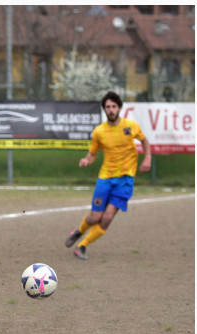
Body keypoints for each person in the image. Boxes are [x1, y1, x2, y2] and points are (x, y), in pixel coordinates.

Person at [65, 91, 151, 260]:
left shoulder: (131, 126)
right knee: (95, 216)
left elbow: (145, 141)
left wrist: (147, 158)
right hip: (105, 178)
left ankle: (82, 246)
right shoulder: (99, 132)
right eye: (107, 107)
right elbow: (93, 153)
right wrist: (86, 160)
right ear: (104, 110)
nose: (111, 110)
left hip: (125, 180)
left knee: (107, 219)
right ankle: (79, 231)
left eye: (113, 106)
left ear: (119, 107)